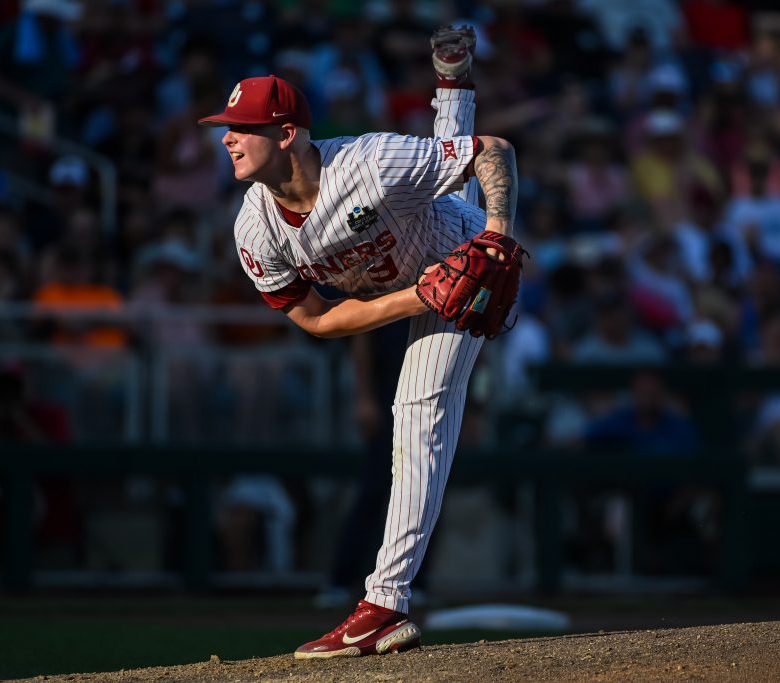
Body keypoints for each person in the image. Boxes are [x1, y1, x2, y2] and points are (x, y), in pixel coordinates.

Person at [198, 27, 518, 658]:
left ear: (287, 134)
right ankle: (452, 81)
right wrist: (421, 297)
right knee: (444, 170)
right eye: (226, 126)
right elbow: (317, 322)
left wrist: (499, 241)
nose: (228, 136)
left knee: (415, 414)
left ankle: (384, 603)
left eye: (243, 126)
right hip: (421, 279)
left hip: (467, 257)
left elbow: (495, 152)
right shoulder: (254, 230)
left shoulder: (368, 162)